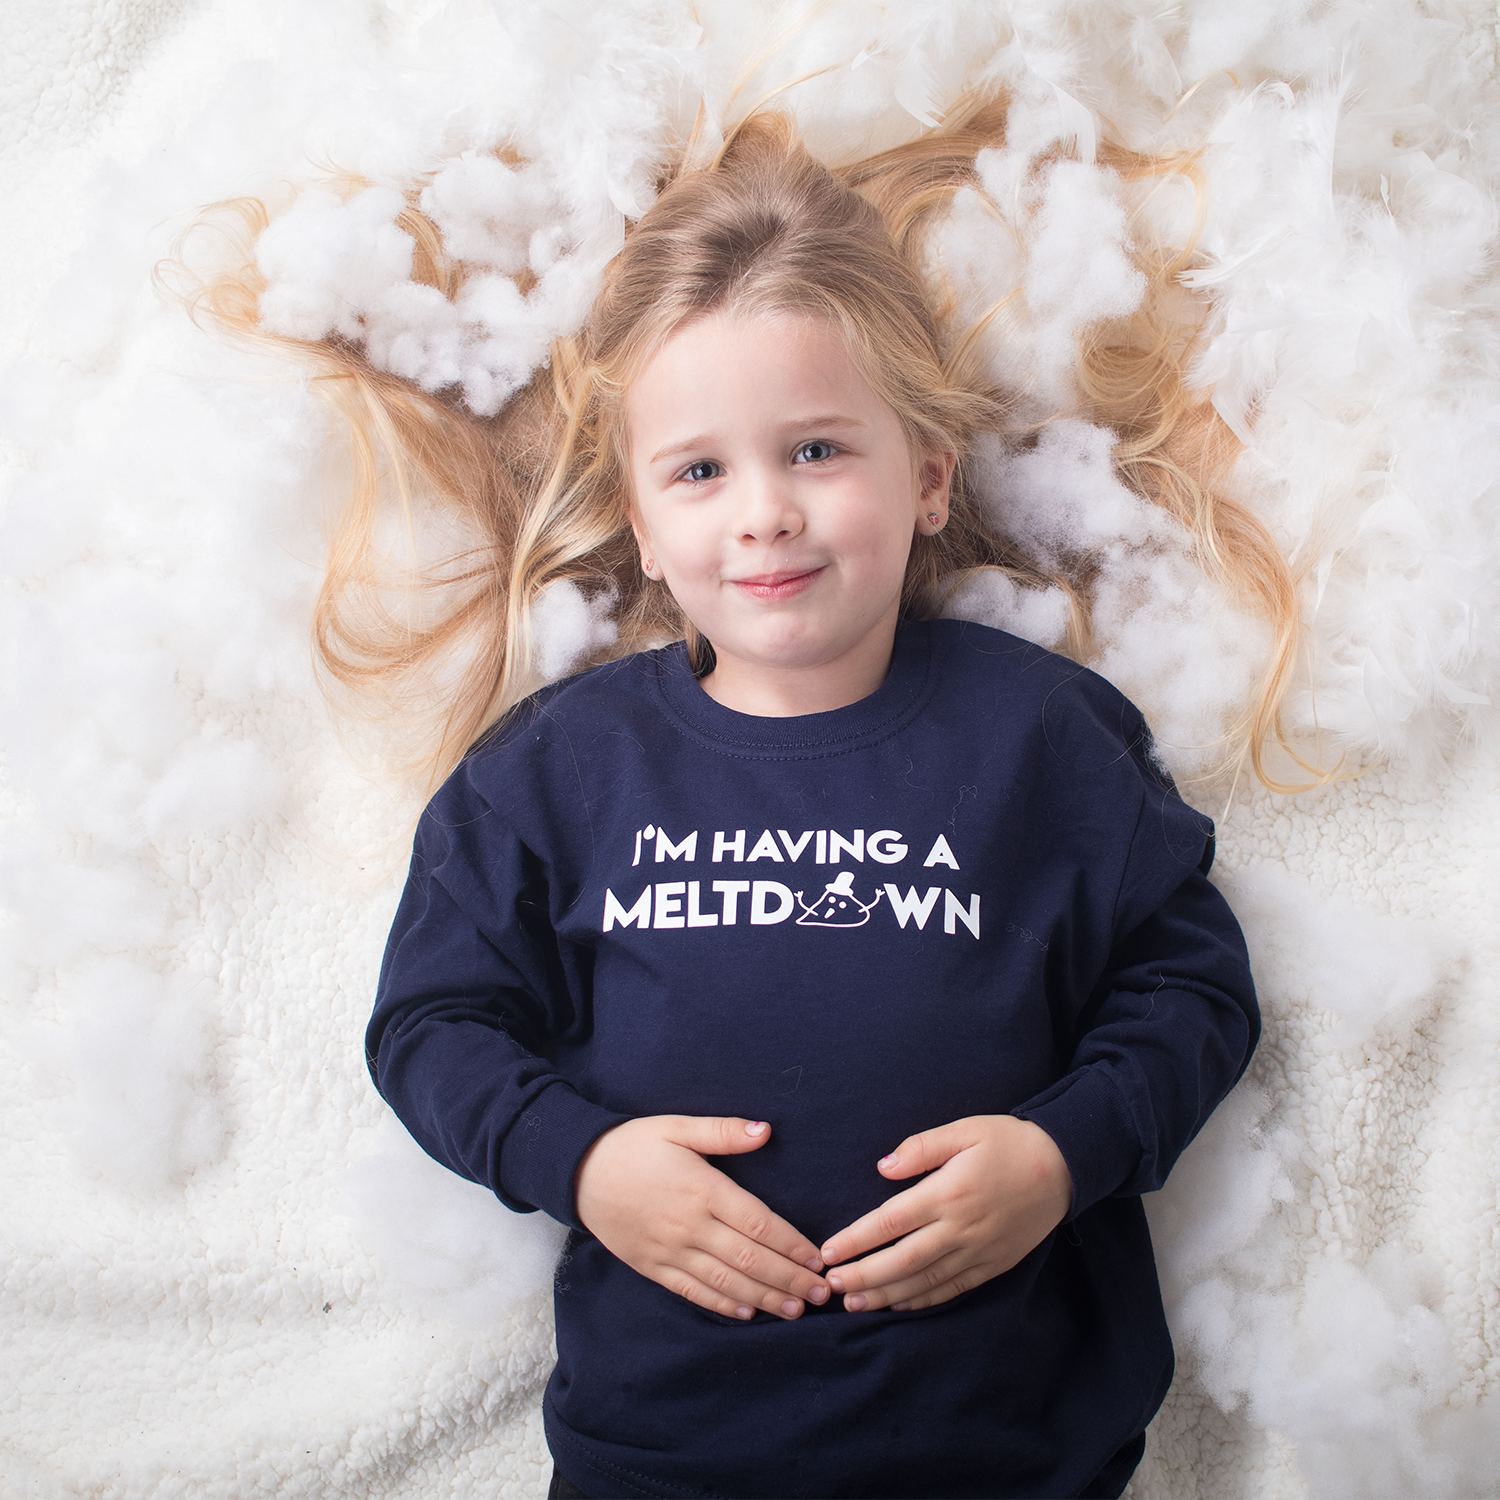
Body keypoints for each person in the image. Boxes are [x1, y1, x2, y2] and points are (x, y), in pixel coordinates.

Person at [209, 99, 1279, 1500]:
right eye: (702, 471)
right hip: (667, 1453)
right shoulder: (555, 771)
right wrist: (580, 1163)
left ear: (929, 477)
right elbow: (433, 1023)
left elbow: (1190, 988)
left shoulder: (1045, 739)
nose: (763, 511)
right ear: (647, 527)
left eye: (819, 451)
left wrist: (1059, 1155)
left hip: (1008, 1449)